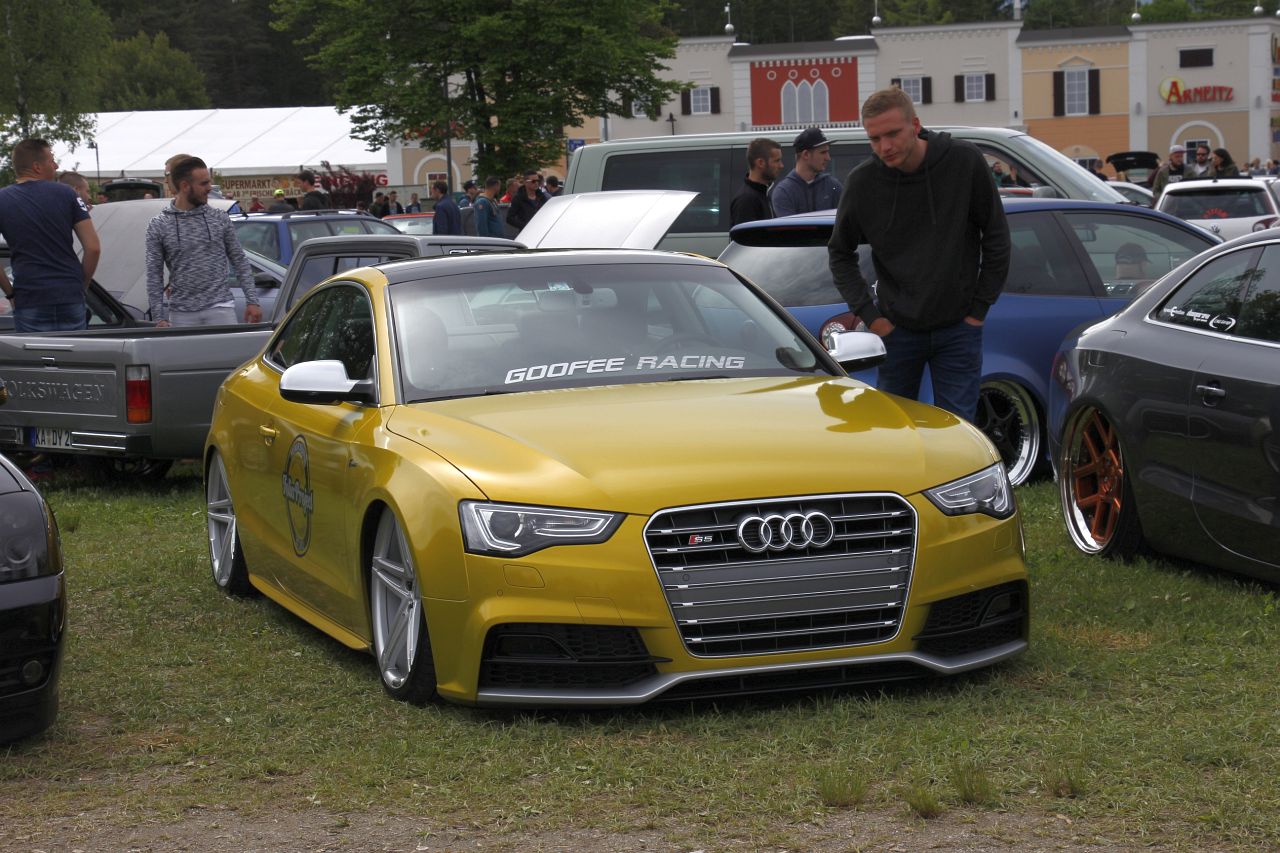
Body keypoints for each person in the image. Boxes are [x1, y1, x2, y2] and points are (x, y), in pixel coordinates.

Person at [828, 87, 1010, 422]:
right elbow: (840, 253)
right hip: (896, 330)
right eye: (874, 139)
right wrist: (872, 318)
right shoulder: (863, 182)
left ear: (915, 125)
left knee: (959, 430)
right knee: (893, 430)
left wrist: (979, 310)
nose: (885, 146)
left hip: (958, 328)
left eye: (892, 134)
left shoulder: (963, 162)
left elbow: (996, 236)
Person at [144, 156, 261, 328]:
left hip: (221, 308)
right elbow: (154, 274)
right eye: (204, 183)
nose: (209, 188)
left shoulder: (220, 218)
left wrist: (252, 301)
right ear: (185, 186)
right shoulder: (158, 225)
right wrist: (158, 318)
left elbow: (239, 260)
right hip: (181, 313)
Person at [0, 138, 101, 332]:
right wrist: (81, 286)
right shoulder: (68, 194)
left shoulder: (3, 199)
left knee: (35, 351)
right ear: (37, 167)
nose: (56, 166)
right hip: (69, 295)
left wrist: (10, 294)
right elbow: (93, 248)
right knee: (76, 351)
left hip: (29, 296)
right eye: (51, 161)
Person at [771, 127, 843, 217]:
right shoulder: (784, 192)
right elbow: (788, 225)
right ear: (806, 154)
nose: (828, 158)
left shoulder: (833, 186)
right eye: (823, 152)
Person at [730, 137, 783, 227]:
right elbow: (746, 235)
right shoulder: (746, 201)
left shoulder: (763, 194)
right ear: (760, 163)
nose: (781, 166)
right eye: (777, 161)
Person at [505, 169, 547, 235]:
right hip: (526, 234)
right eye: (533, 181)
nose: (536, 183)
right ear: (525, 182)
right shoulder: (518, 198)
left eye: (538, 181)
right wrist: (525, 226)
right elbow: (509, 218)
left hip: (541, 233)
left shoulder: (542, 197)